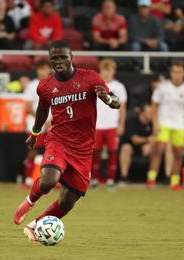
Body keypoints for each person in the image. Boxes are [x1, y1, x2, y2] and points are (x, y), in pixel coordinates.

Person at [12, 40, 121, 242]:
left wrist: (106, 99)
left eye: (63, 57)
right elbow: (42, 110)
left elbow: (116, 102)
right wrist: (35, 133)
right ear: (50, 60)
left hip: (83, 147)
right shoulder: (45, 86)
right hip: (58, 140)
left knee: (69, 200)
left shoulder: (90, 78)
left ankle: (36, 224)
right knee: (49, 180)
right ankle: (29, 202)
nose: (59, 61)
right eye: (55, 58)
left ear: (71, 57)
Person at [147, 61, 184, 190]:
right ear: (171, 73)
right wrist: (155, 124)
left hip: (179, 125)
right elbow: (154, 106)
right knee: (158, 150)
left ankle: (174, 183)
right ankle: (151, 180)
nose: (177, 75)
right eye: (175, 72)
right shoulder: (162, 87)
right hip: (164, 123)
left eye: (179, 72)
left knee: (178, 154)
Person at [91, 59, 127, 189]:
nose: (107, 73)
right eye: (104, 70)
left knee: (113, 152)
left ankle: (111, 180)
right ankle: (94, 179)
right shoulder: (95, 85)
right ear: (100, 71)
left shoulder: (119, 87)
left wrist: (121, 124)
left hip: (112, 125)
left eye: (109, 70)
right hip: (97, 125)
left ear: (114, 71)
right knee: (95, 152)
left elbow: (122, 107)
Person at [22, 59, 51, 187]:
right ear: (37, 70)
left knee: (51, 152)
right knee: (33, 151)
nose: (44, 71)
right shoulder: (32, 86)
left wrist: (52, 121)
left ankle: (50, 180)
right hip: (35, 124)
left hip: (51, 124)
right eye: (41, 69)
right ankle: (28, 179)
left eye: (46, 68)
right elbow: (28, 107)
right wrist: (41, 120)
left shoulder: (55, 84)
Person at [118, 103, 154, 184]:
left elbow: (156, 138)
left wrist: (150, 145)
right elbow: (135, 139)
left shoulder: (153, 123)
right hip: (133, 147)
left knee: (155, 149)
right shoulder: (132, 120)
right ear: (142, 112)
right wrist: (148, 140)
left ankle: (151, 179)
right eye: (149, 112)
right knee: (126, 148)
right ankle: (124, 178)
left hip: (147, 149)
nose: (152, 114)